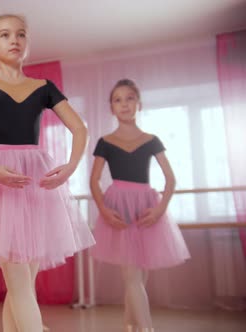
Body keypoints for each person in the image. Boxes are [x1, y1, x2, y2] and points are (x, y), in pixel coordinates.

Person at [0, 14, 95, 332]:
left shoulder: (44, 88)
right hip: (0, 179)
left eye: (21, 34)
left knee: (21, 286)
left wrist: (69, 168)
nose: (14, 39)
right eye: (5, 34)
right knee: (20, 282)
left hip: (37, 185)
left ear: (27, 44)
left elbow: (80, 128)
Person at [89, 79, 190, 332]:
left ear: (139, 104)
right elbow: (93, 181)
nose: (124, 104)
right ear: (111, 108)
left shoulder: (151, 140)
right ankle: (147, 329)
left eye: (130, 98)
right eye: (118, 99)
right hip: (119, 210)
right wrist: (104, 210)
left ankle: (130, 325)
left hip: (146, 210)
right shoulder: (105, 142)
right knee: (131, 277)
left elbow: (170, 179)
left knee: (137, 279)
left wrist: (159, 211)